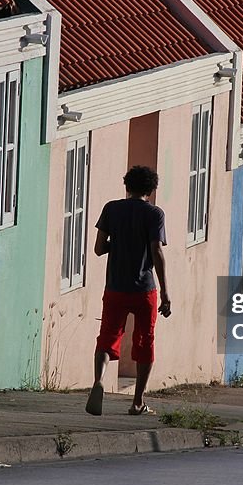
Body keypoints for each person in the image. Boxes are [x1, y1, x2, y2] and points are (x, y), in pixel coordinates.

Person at [85, 165, 171, 416]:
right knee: (145, 341)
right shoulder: (155, 214)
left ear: (127, 186)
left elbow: (99, 249)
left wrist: (120, 242)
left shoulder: (112, 209)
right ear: (151, 189)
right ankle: (137, 402)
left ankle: (99, 381)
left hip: (115, 288)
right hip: (144, 290)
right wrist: (165, 292)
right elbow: (157, 251)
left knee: (107, 336)